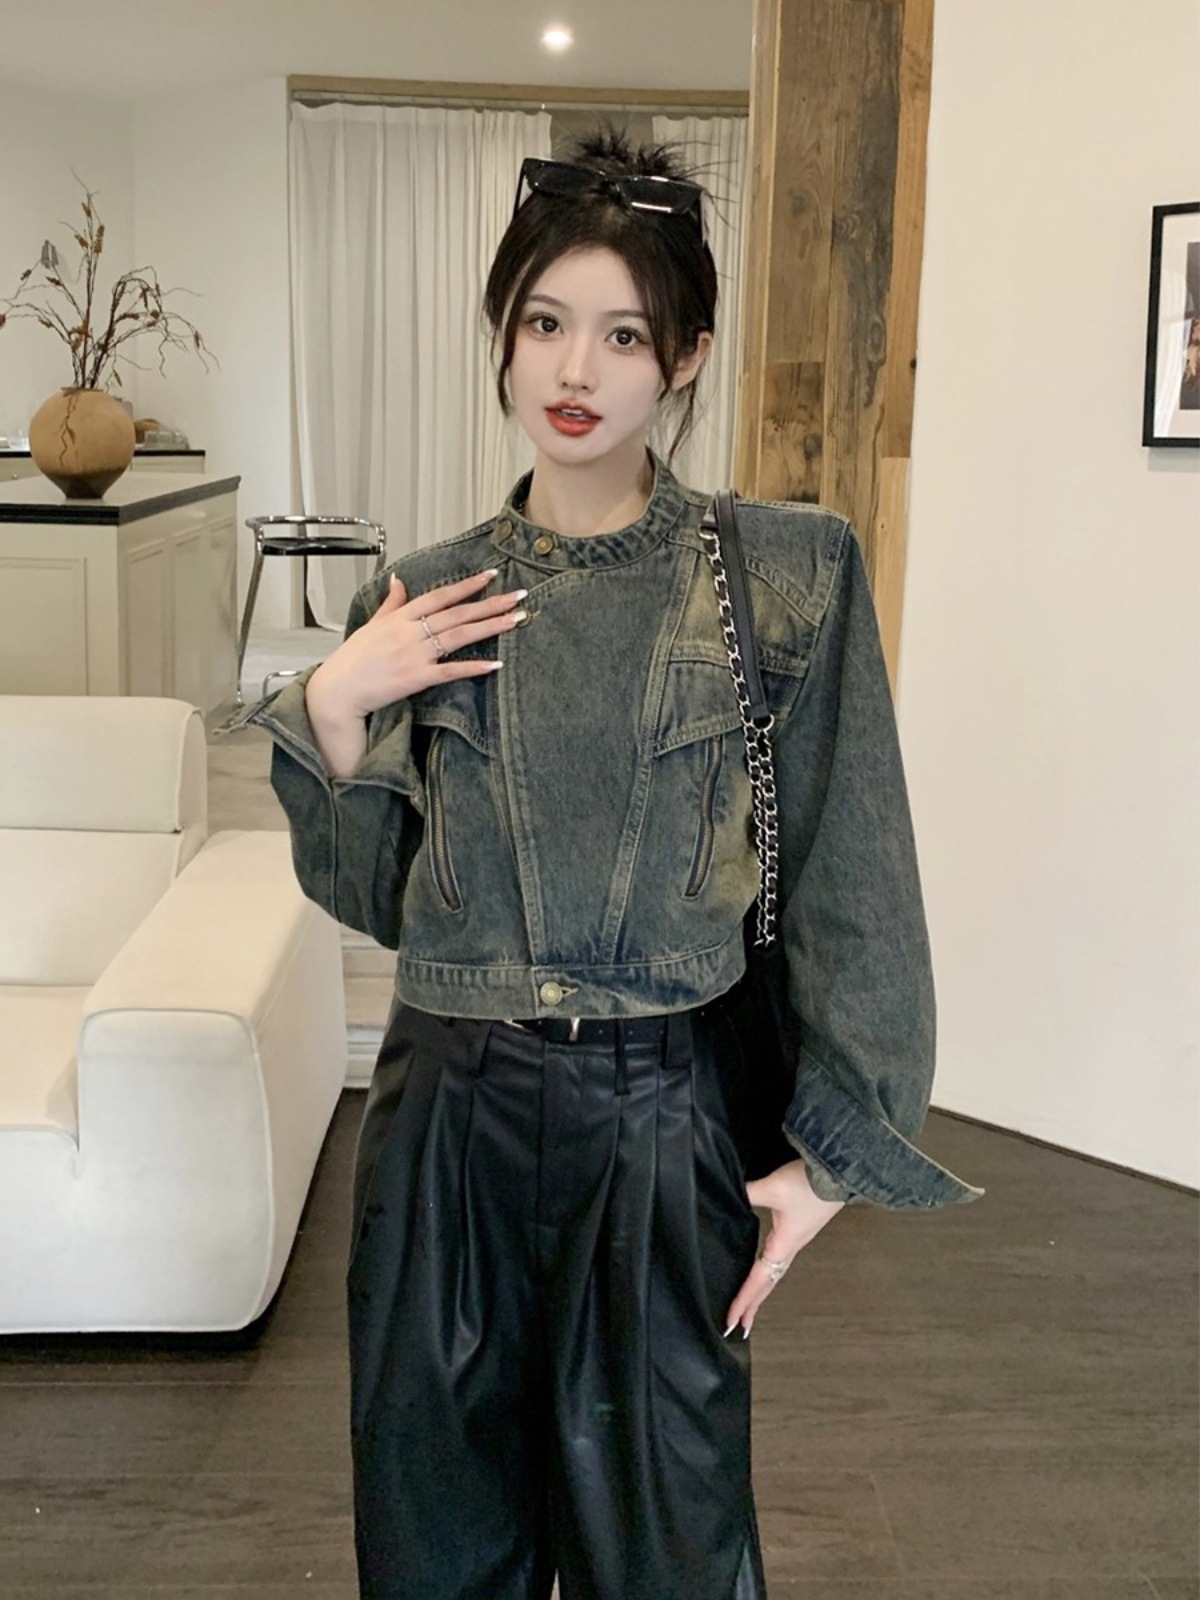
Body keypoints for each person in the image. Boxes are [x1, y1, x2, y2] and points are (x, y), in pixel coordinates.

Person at [244, 126, 983, 1600]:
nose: (574, 369)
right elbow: (375, 896)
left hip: (660, 1118)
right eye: (543, 323)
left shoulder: (784, 574)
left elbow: (852, 877)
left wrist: (834, 1160)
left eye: (624, 333)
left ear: (685, 355)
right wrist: (333, 704)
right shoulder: (427, 594)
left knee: (670, 1546)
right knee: (438, 1537)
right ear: (505, 337)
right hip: (445, 1120)